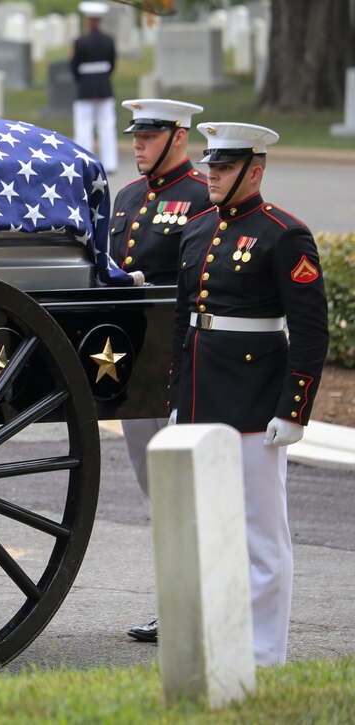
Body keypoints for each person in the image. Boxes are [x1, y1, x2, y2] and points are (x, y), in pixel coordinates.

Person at [162, 122, 328, 666]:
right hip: (198, 396)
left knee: (261, 539)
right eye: (211, 164)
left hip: (256, 402)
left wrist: (294, 408)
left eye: (226, 167)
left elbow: (309, 331)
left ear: (255, 171)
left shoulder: (285, 234)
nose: (213, 174)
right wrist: (175, 399)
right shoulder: (197, 229)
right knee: (208, 532)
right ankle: (222, 646)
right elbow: (186, 321)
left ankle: (263, 657)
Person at [113, 99, 210, 645]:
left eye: (149, 135)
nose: (137, 143)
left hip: (181, 362)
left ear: (178, 136)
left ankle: (197, 602)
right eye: (136, 134)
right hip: (131, 366)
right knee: (156, 489)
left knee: (184, 486)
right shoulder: (128, 197)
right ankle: (174, 603)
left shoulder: (201, 196)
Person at [71, 1, 118, 173]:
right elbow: (112, 64)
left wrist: (82, 80)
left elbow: (74, 66)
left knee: (84, 126)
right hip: (104, 87)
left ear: (88, 20)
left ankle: (84, 163)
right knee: (107, 126)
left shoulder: (79, 41)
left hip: (85, 87)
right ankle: (110, 163)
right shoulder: (108, 40)